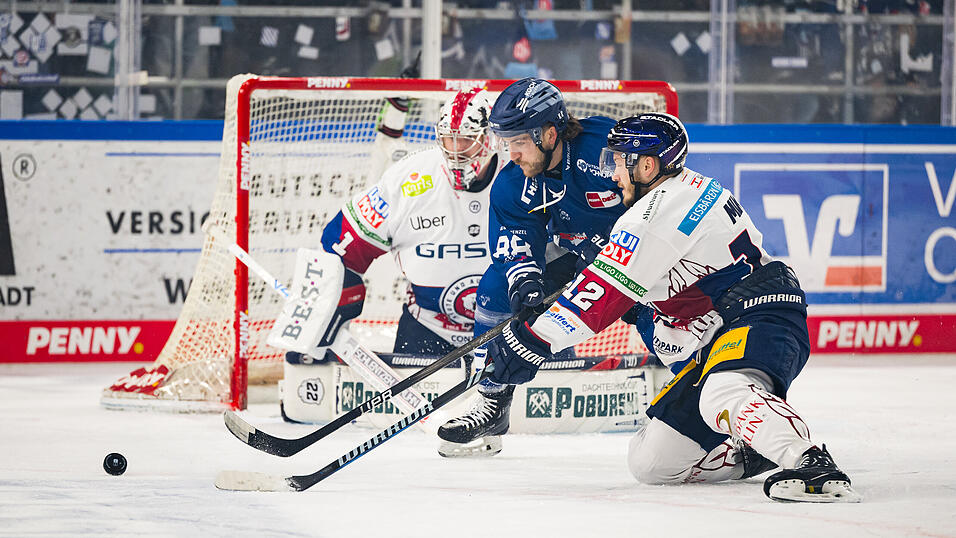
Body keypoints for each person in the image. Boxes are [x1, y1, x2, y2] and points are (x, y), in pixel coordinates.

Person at [482, 112, 862, 503]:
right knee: (653, 461)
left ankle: (811, 462)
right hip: (716, 329)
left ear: (646, 165)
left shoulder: (655, 213)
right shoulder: (684, 189)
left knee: (721, 391)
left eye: (617, 162)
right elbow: (628, 277)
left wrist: (531, 341)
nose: (611, 174)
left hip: (758, 314)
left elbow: (605, 291)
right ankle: (754, 449)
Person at [280, 87, 504, 418]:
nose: (456, 151)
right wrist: (316, 323)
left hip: (511, 334)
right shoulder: (411, 179)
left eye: (467, 139)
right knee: (408, 442)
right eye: (449, 139)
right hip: (428, 330)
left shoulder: (522, 173)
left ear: (491, 138)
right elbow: (338, 248)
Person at [437, 78, 628, 457]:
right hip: (578, 259)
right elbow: (515, 241)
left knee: (671, 332)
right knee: (496, 288)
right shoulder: (512, 184)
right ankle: (491, 401)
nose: (513, 154)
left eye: (520, 142)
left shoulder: (605, 148)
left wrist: (619, 251)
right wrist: (525, 282)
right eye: (507, 143)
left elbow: (660, 193)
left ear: (550, 133)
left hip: (640, 262)